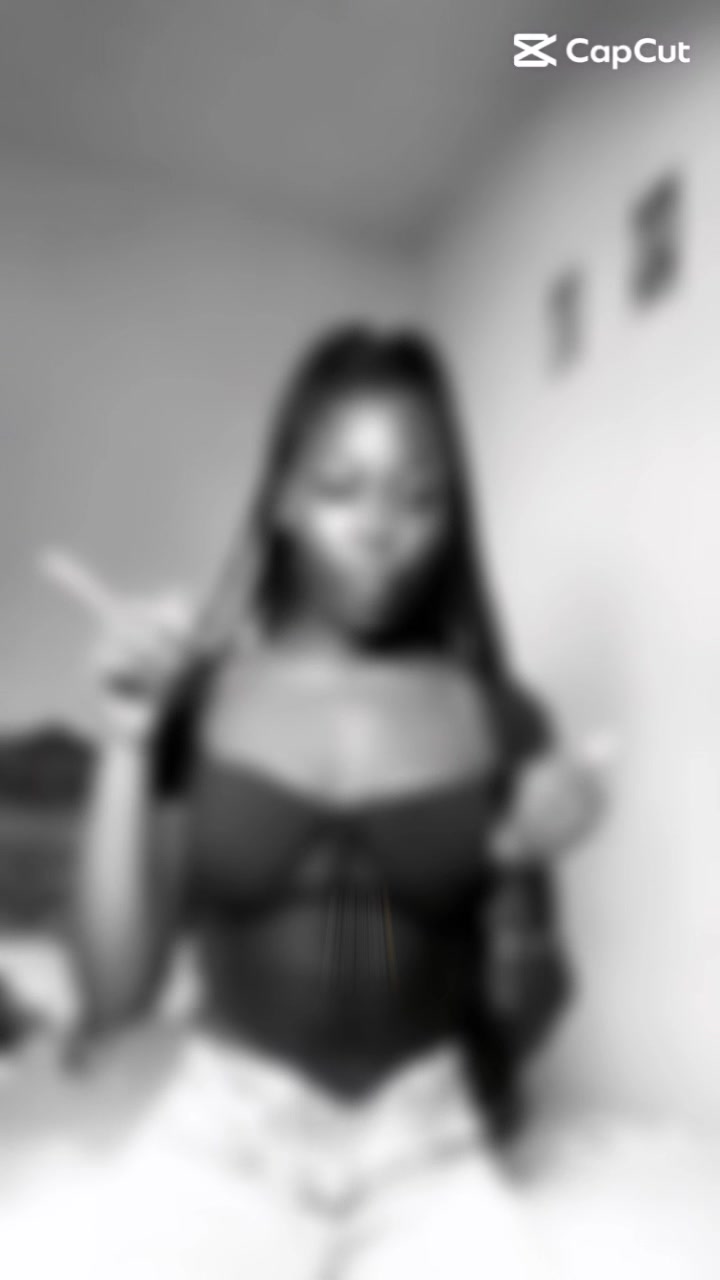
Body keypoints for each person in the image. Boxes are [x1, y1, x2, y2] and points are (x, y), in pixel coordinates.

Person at [3, 325, 715, 1280]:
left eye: (419, 497)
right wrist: (128, 739)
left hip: (427, 1152)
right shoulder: (200, 698)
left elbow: (526, 1023)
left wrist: (521, 867)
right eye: (341, 489)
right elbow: (114, 995)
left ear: (452, 518)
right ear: (283, 498)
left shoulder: (499, 715)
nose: (380, 527)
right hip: (222, 1142)